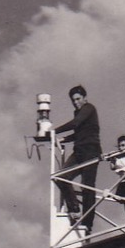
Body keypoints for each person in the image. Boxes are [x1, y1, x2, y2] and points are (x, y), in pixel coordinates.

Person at [52, 85, 101, 235]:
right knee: (61, 177)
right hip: (79, 151)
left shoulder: (89, 108)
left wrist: (54, 131)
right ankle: (74, 209)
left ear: (85, 98)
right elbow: (78, 132)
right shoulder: (79, 112)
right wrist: (64, 139)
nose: (76, 103)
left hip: (91, 151)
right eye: (73, 100)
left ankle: (87, 222)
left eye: (78, 99)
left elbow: (75, 124)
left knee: (87, 186)